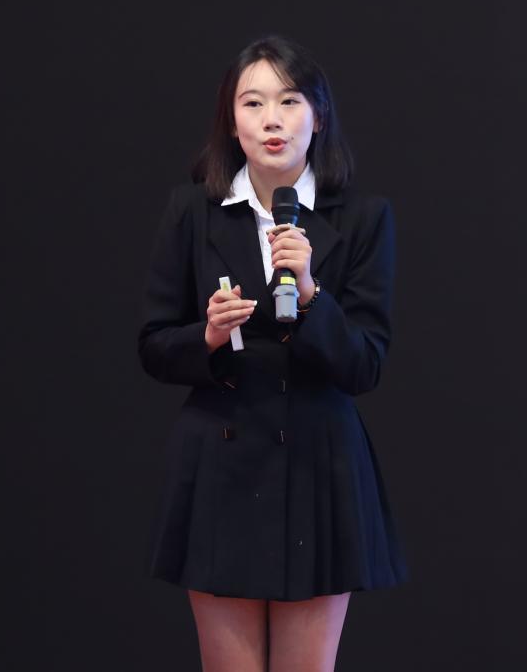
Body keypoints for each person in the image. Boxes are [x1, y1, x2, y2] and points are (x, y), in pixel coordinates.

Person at [139, 36, 407, 671]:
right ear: (232, 123)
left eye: (289, 101)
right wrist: (206, 337)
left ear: (318, 115)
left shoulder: (363, 218)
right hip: (222, 456)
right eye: (253, 102)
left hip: (318, 460)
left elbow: (365, 364)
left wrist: (312, 295)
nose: (271, 120)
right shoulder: (192, 211)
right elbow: (154, 346)